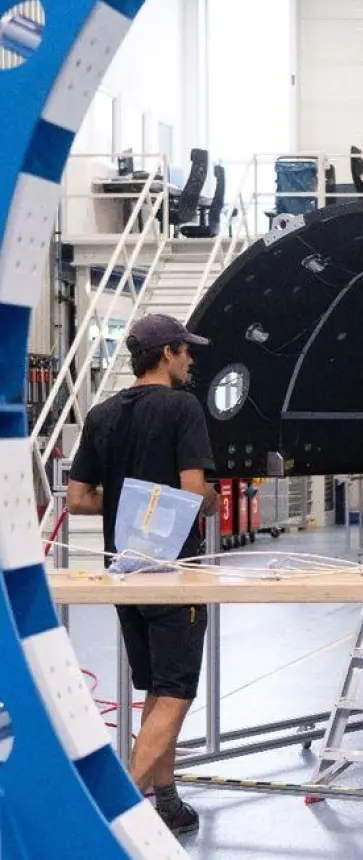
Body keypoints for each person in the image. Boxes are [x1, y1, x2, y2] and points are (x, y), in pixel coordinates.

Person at [66, 313, 219, 836]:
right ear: (168, 353)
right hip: (174, 571)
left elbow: (80, 498)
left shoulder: (103, 414)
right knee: (176, 692)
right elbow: (196, 492)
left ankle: (168, 799)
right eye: (187, 351)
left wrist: (133, 504)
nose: (192, 360)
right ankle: (118, 808)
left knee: (156, 688)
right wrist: (211, 501)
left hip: (123, 572)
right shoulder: (183, 409)